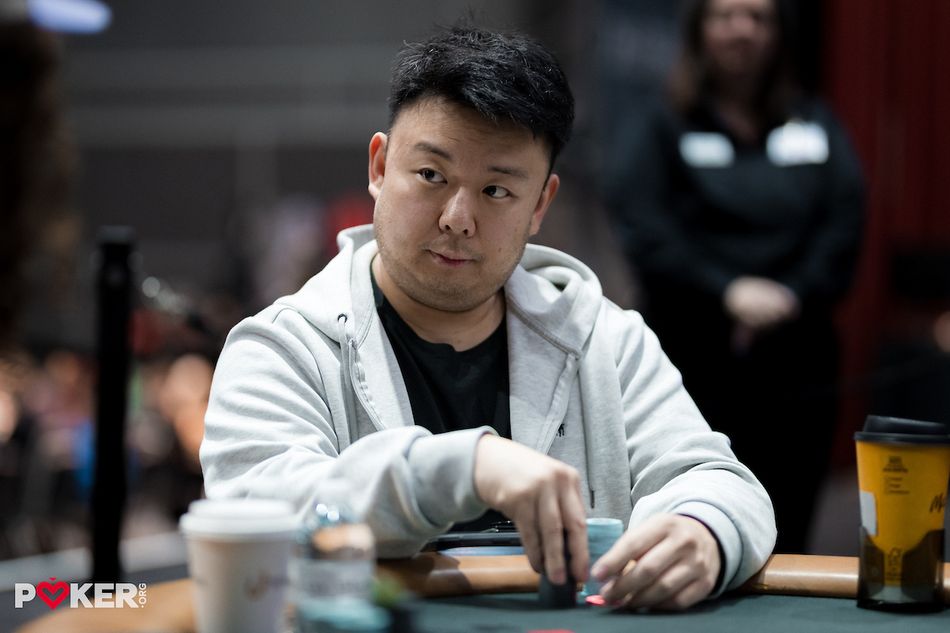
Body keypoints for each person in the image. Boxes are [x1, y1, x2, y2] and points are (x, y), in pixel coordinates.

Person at [201, 25, 776, 610]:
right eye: (431, 175)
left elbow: (719, 481)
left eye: (496, 191)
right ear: (379, 167)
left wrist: (703, 530)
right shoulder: (283, 348)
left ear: (540, 205)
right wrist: (465, 467)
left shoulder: (605, 340)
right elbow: (255, 511)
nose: (458, 217)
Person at [606, 0, 864, 553]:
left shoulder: (812, 121)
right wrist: (726, 290)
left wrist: (792, 293)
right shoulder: (663, 124)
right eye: (726, 15)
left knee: (791, 522)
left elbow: (845, 218)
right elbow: (644, 225)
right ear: (700, 30)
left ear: (778, 32)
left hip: (795, 357)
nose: (742, 29)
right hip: (692, 353)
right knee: (688, 511)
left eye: (758, 16)